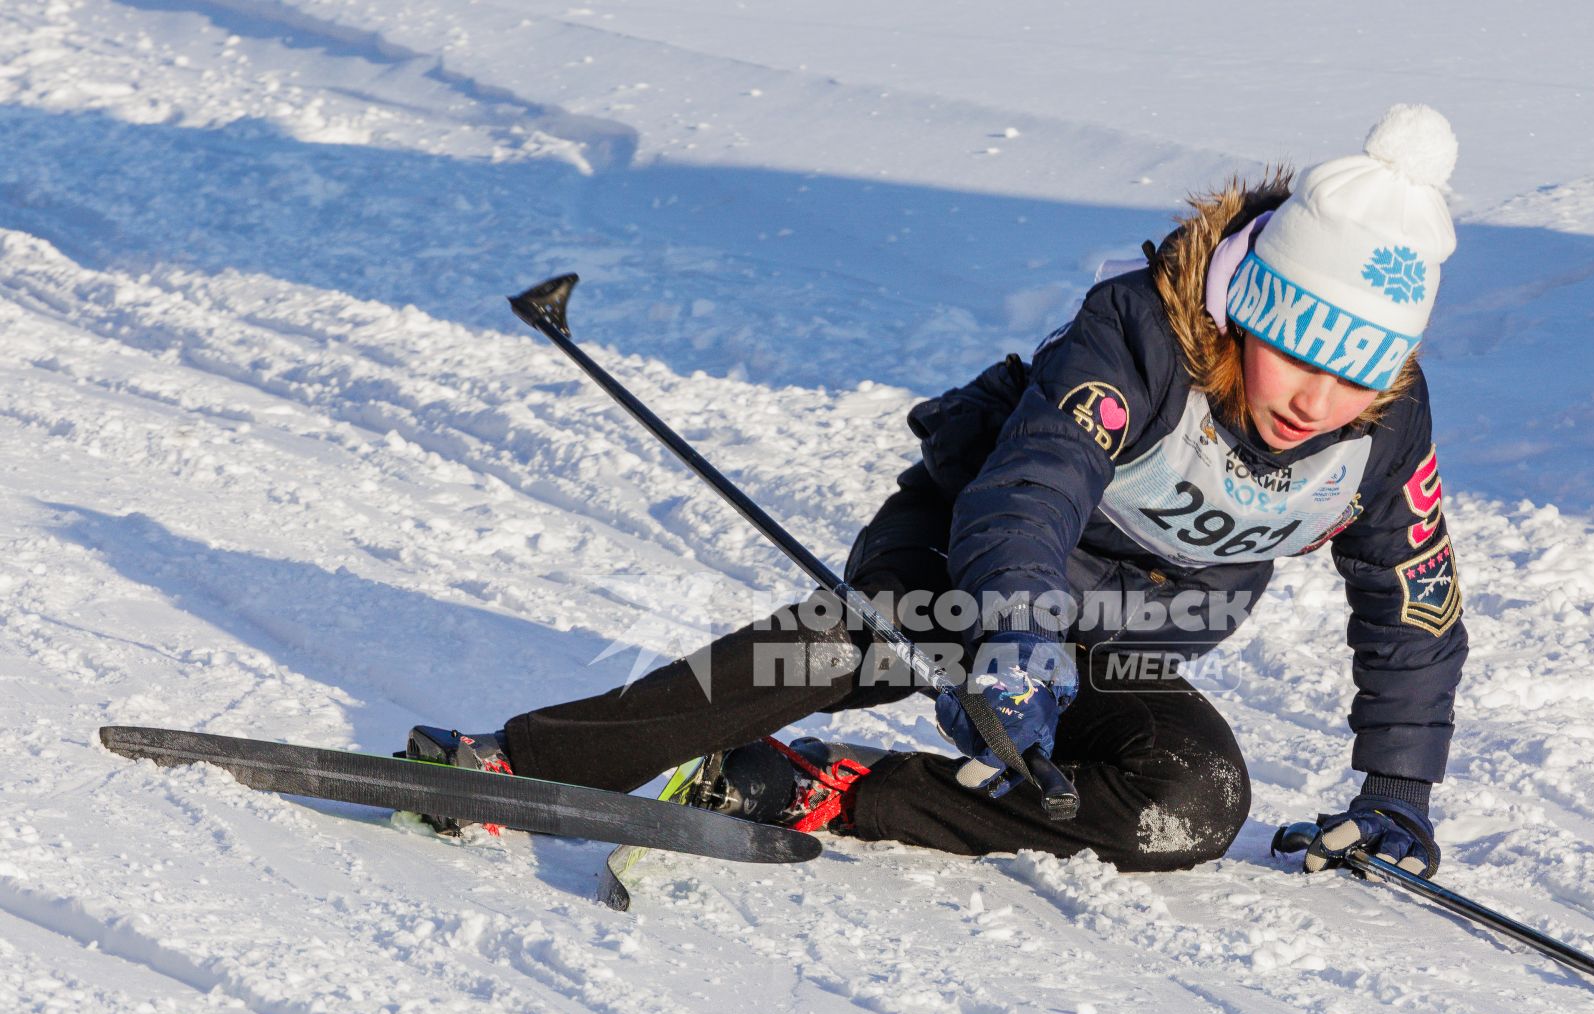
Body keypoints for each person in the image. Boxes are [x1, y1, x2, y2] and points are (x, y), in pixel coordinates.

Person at [408, 104, 1468, 880]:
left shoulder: (1381, 429)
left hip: (1124, 636)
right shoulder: (1142, 336)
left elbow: (1411, 602)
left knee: (1192, 804)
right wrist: (1013, 642)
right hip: (966, 566)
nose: (1316, 400)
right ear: (1248, 313)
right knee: (845, 640)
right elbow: (1030, 493)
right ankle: (533, 757)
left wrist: (1395, 793)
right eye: (1297, 354)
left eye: (1358, 374)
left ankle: (827, 788)